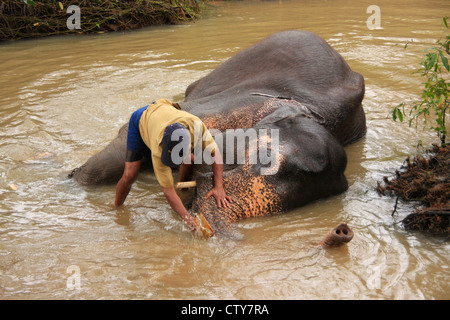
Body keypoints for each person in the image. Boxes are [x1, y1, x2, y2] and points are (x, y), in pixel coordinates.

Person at [114, 98, 231, 232]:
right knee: (130, 174)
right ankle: (116, 208)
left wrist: (219, 186)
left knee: (189, 160)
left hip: (166, 110)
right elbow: (167, 191)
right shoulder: (158, 150)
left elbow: (215, 153)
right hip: (141, 119)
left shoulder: (197, 127)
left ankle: (182, 192)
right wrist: (189, 220)